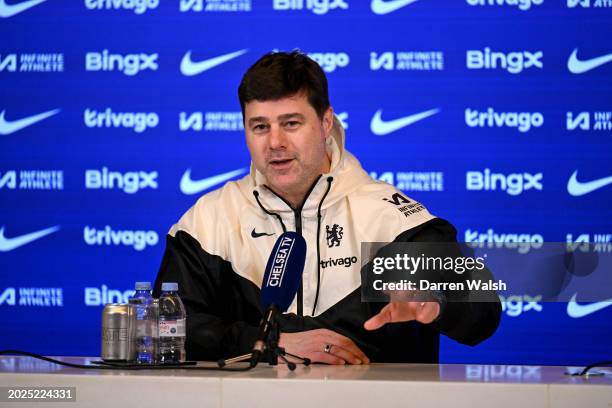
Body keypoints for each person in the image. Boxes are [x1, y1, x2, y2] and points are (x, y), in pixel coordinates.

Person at [153, 50, 501, 364]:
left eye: (291, 123)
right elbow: (166, 330)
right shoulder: (209, 222)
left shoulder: (390, 220)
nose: (275, 142)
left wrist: (437, 303)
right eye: (260, 126)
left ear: (325, 123)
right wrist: (271, 342)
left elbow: (484, 314)